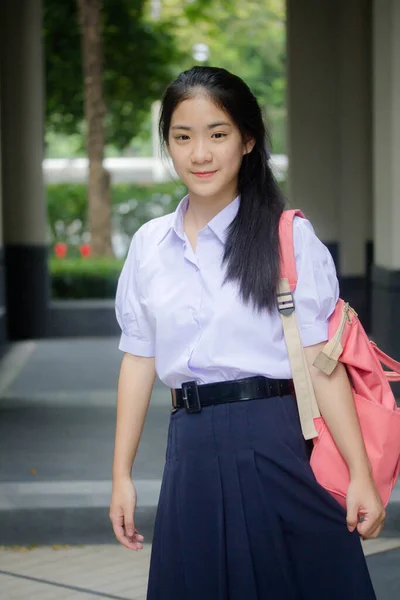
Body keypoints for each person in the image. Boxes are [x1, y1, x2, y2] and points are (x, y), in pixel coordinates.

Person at [110, 66, 384, 599]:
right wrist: (121, 474)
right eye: (182, 137)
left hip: (275, 439)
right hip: (188, 445)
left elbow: (319, 364)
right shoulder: (149, 245)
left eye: (217, 134)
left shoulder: (289, 236)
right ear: (167, 144)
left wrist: (360, 473)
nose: (200, 154)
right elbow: (139, 360)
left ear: (248, 139)